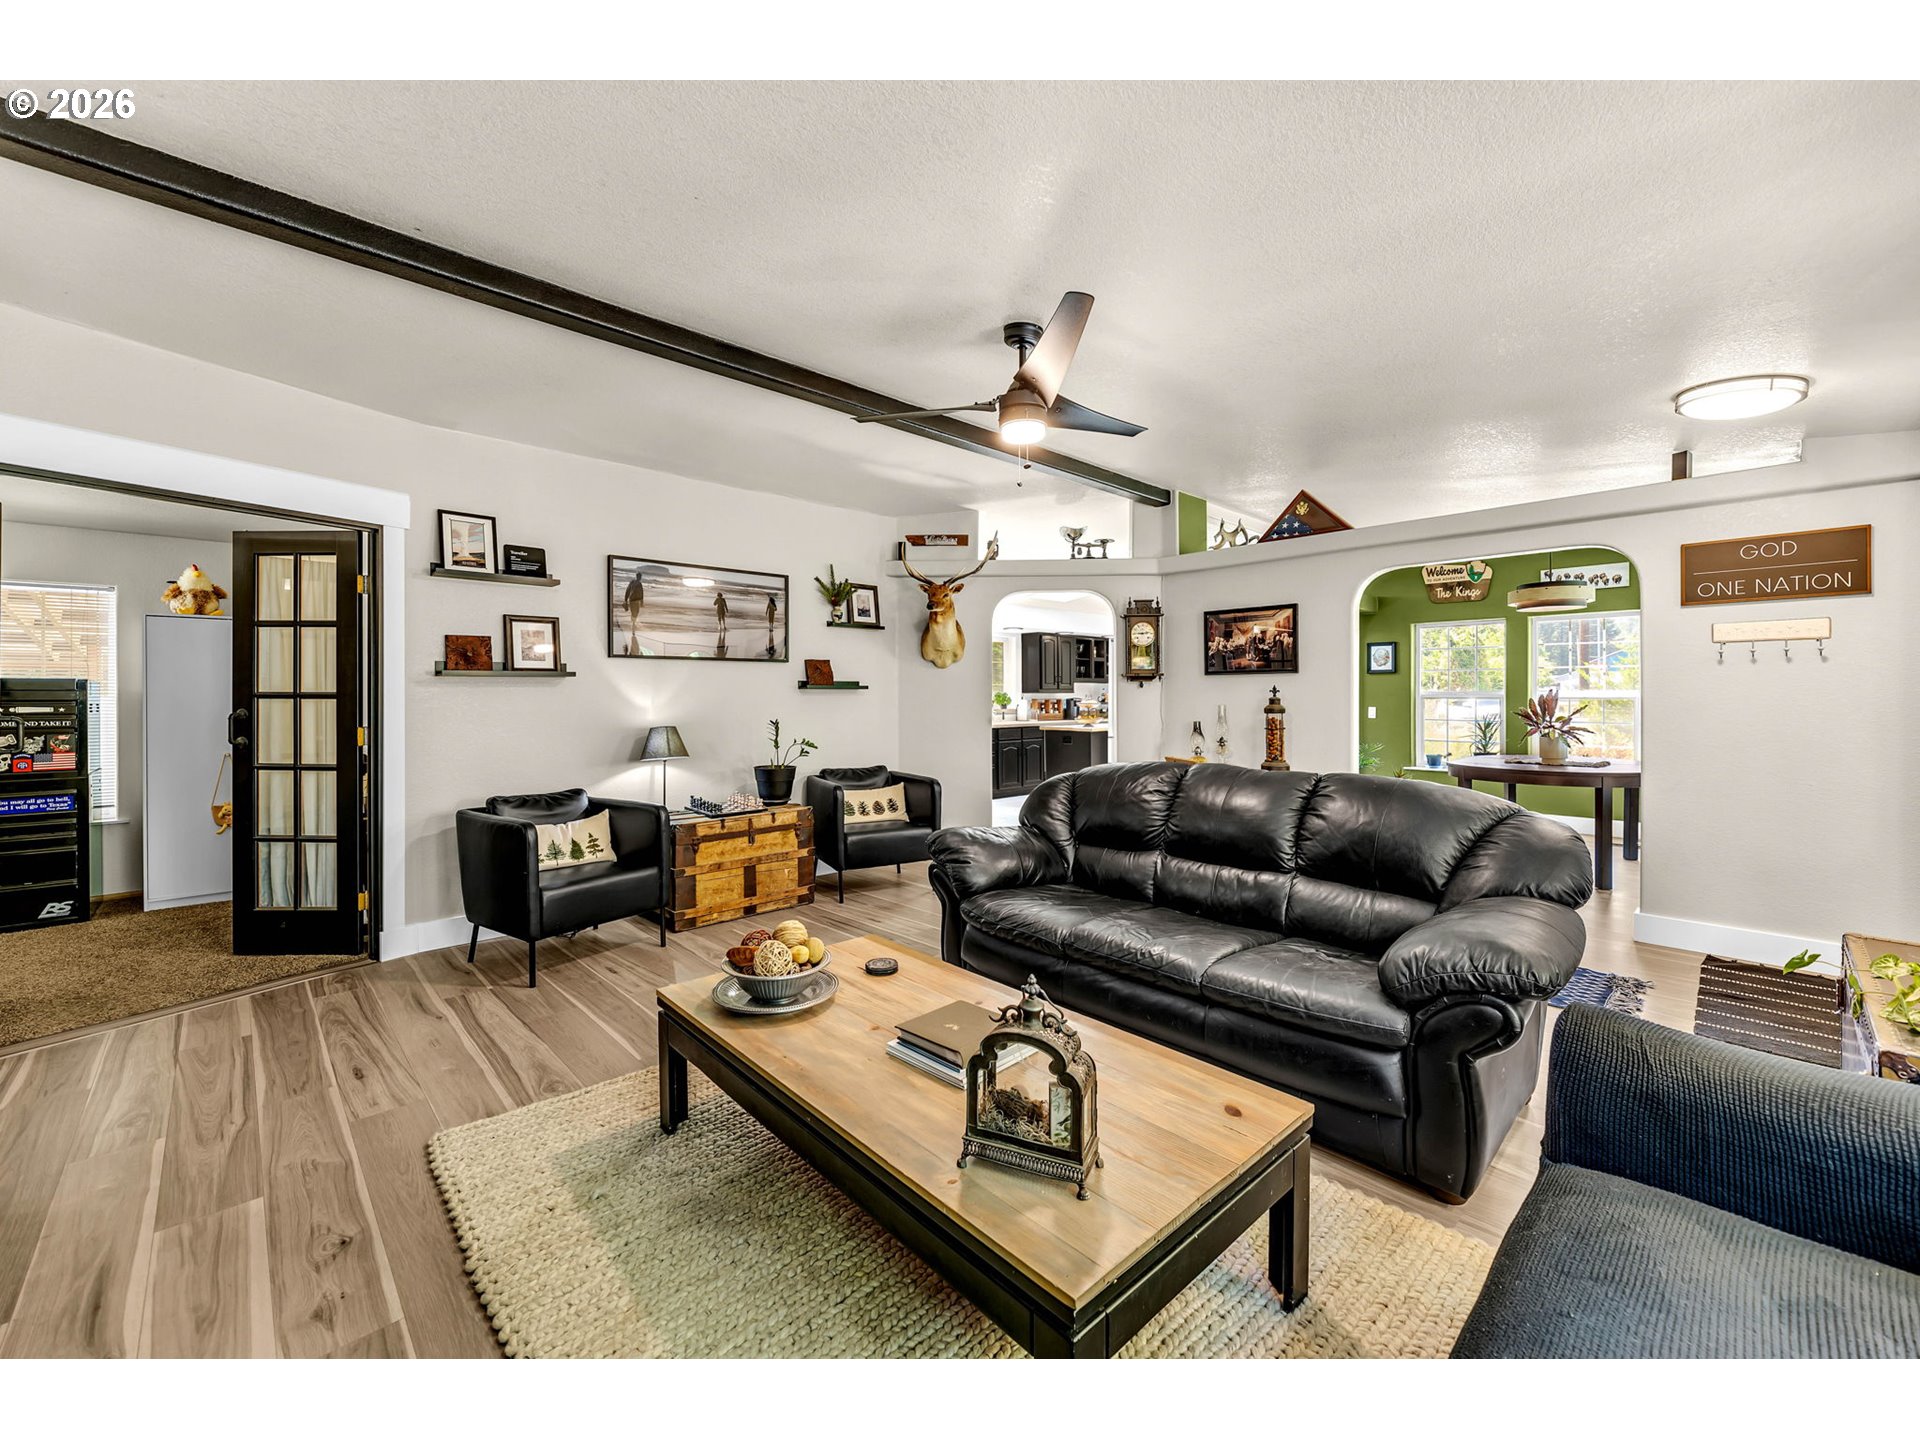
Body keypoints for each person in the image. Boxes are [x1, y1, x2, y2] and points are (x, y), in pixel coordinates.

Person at [622, 568, 646, 656]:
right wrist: (642, 602)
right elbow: (641, 593)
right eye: (639, 576)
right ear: (638, 577)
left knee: (635, 613)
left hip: (633, 600)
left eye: (640, 576)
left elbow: (628, 591)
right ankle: (633, 625)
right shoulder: (637, 583)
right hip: (634, 601)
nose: (640, 578)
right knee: (635, 613)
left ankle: (633, 623)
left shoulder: (633, 582)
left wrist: (625, 599)